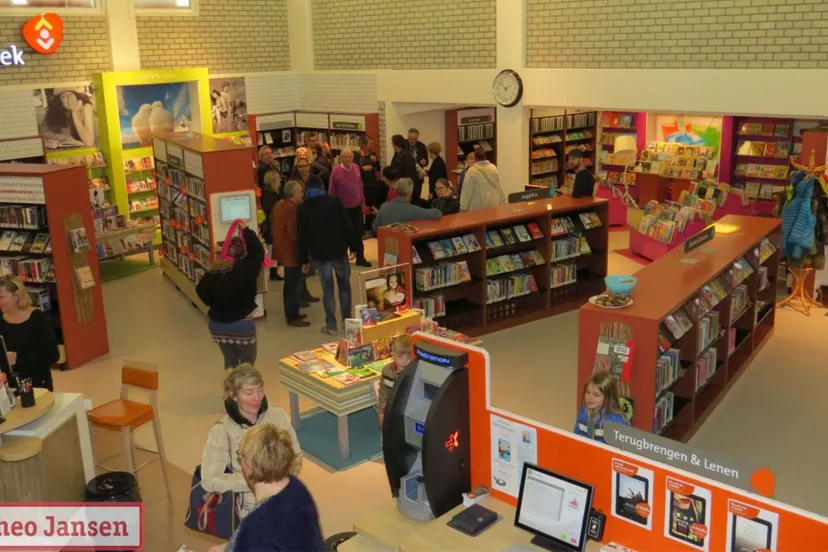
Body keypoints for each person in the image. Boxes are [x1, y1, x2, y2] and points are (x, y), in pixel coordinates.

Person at [201, 365, 303, 522]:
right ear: (233, 395)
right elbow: (210, 480)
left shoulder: (277, 416)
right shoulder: (221, 431)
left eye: (260, 390)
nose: (257, 398)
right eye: (248, 392)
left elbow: (296, 455)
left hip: (283, 500)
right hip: (248, 512)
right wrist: (257, 482)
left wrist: (281, 480)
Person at [211, 424, 323, 552]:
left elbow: (258, 540)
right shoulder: (296, 487)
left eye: (241, 456)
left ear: (249, 466)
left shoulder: (258, 526)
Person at [195, 221, 264, 369]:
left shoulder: (215, 270)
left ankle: (231, 389)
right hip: (241, 323)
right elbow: (258, 251)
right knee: (247, 363)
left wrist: (215, 303)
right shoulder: (247, 269)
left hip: (217, 323)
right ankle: (243, 390)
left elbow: (200, 291)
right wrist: (246, 229)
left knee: (230, 359)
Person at [297, 186, 360, 335]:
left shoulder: (303, 208)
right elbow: (347, 225)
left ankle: (331, 325)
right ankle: (347, 321)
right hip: (339, 251)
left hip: (320, 254)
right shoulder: (335, 202)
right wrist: (355, 246)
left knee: (328, 290)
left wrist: (304, 260)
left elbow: (302, 236)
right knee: (344, 286)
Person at [0, 276, 59, 391]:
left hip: (36, 383)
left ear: (16, 296)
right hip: (9, 384)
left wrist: (18, 358)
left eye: (1, 297)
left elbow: (53, 356)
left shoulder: (38, 318)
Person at [271, 180, 310, 327]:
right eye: (300, 191)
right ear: (293, 193)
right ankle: (292, 316)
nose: (302, 194)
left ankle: (293, 312)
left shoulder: (278, 205)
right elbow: (294, 233)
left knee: (290, 284)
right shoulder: (291, 209)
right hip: (291, 252)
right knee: (292, 285)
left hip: (282, 250)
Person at [328, 148, 371, 267]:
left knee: (358, 233)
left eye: (350, 157)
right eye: (345, 157)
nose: (348, 159)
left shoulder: (356, 168)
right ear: (341, 158)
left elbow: (360, 186)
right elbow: (331, 191)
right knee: (343, 234)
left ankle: (360, 257)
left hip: (356, 207)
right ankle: (343, 259)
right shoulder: (335, 172)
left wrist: (363, 201)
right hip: (342, 209)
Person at [574, 371, 629, 443]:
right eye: (588, 392)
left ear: (607, 397)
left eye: (596, 395)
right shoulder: (582, 412)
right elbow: (576, 436)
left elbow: (622, 446)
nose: (590, 398)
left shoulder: (616, 420)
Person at [373, 178, 442, 234]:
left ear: (396, 190)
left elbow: (374, 228)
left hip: (386, 244)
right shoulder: (414, 210)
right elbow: (437, 214)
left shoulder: (384, 206)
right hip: (405, 246)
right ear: (410, 192)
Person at [377, 334, 413, 430]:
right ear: (393, 354)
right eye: (400, 356)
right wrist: (382, 415)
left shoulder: (415, 373)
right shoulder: (387, 371)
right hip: (391, 413)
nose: (404, 361)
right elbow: (383, 397)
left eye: (408, 358)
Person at [260, 170, 283, 281]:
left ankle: (274, 271)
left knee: (272, 248)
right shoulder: (272, 194)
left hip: (271, 225)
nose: (280, 180)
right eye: (278, 178)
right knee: (273, 248)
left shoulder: (267, 193)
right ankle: (273, 273)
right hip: (272, 226)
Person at [358, 136, 383, 230]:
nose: (372, 146)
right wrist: (362, 169)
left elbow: (378, 168)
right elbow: (354, 169)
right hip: (362, 185)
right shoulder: (358, 155)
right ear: (364, 144)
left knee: (372, 206)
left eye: (373, 144)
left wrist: (376, 161)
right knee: (363, 206)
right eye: (370, 144)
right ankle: (363, 228)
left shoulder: (373, 154)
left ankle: (370, 226)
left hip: (372, 184)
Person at [389, 134, 420, 200]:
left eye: (392, 144)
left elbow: (409, 175)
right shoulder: (398, 154)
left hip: (406, 188)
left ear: (395, 145)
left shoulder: (406, 156)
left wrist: (409, 191)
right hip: (401, 185)